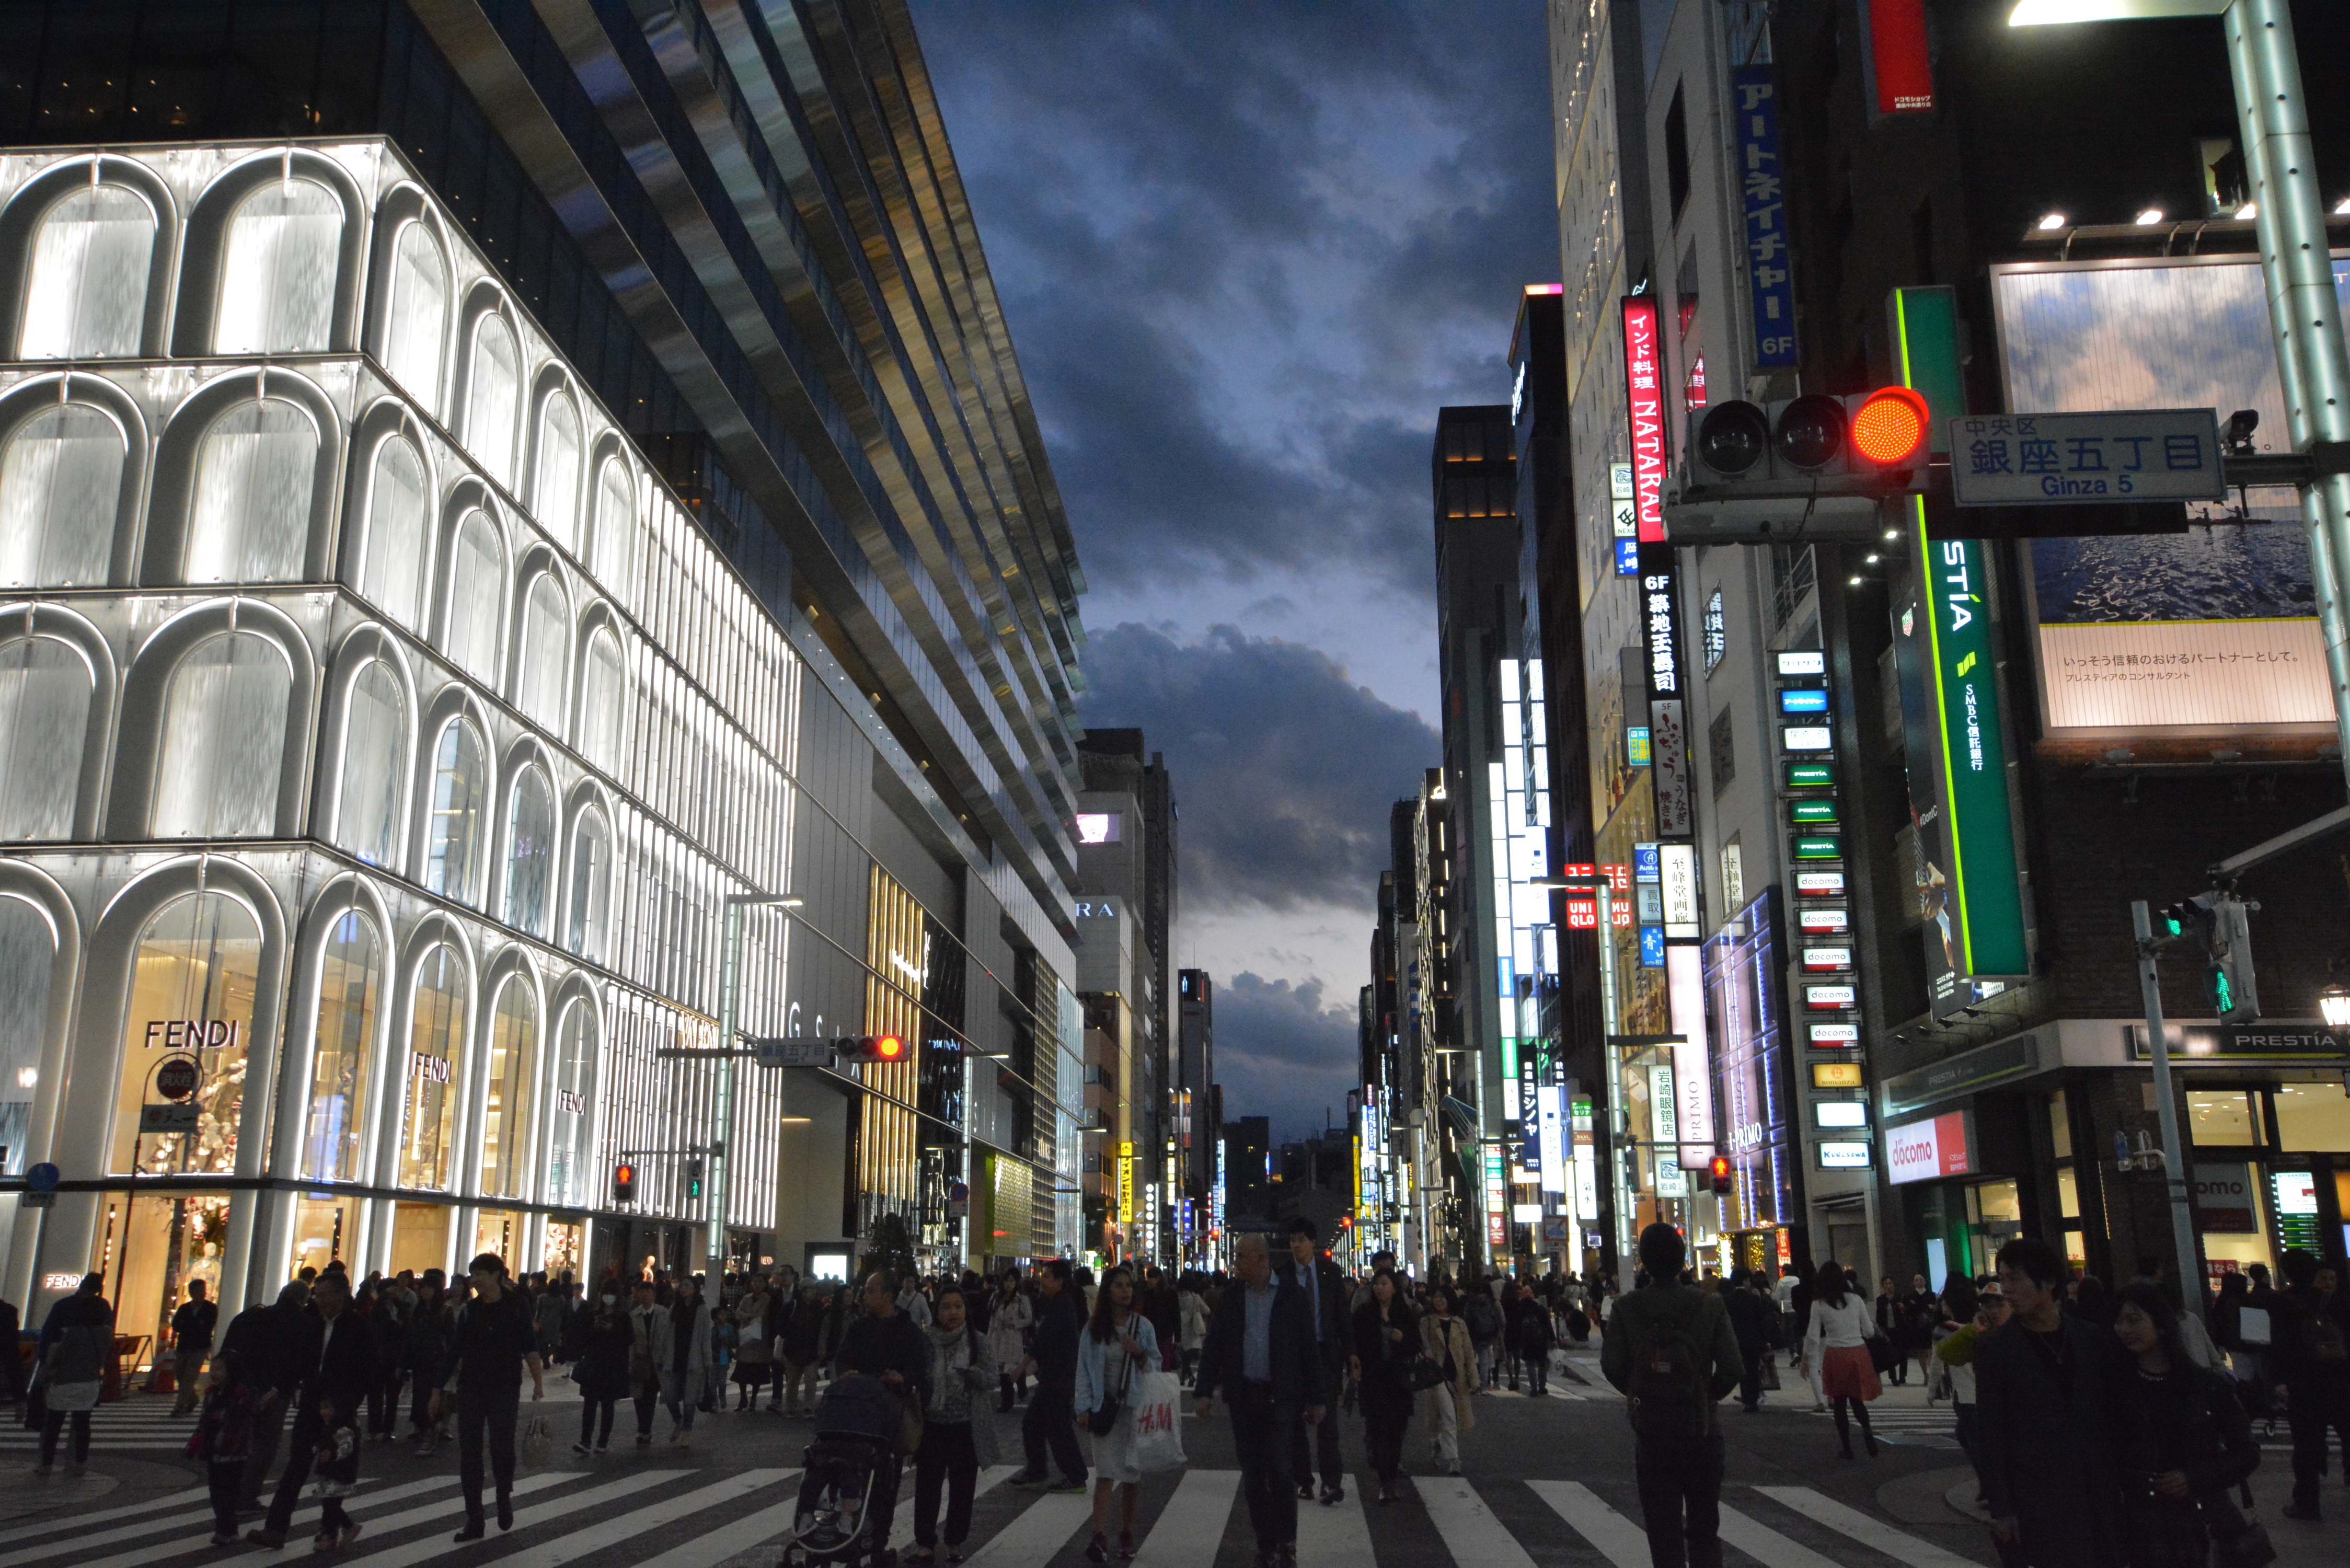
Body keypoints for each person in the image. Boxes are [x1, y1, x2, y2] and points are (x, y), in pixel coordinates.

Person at [1974, 1237, 2125, 1568]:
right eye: (2002, 1279)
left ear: (2048, 1284)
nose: (2006, 1289)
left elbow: (2113, 1416)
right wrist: (2002, 1508)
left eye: (2015, 1278)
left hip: (2098, 1491)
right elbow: (1991, 1431)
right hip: (2037, 1496)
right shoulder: (1995, 1349)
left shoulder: (2092, 1340)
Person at [1602, 1224, 1742, 1568]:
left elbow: (1612, 1366)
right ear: (1682, 1260)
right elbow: (1733, 1368)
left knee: (1662, 1531)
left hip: (1652, 1433)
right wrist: (1703, 1395)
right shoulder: (1709, 1306)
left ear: (1644, 1262)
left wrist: (1641, 1391)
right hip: (1701, 1431)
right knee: (1704, 1527)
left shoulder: (1627, 1309)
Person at [2110, 1281, 2263, 1568]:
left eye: (2134, 1320)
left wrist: (2195, 1477)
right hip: (2140, 1523)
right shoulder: (2115, 1389)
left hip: (2202, 1518)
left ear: (2161, 1324)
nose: (2124, 1330)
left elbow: (2247, 1452)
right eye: (2118, 1322)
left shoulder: (2206, 1386)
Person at [1196, 1231, 1326, 1568]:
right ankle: (1265, 1543)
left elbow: (1308, 1351)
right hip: (1244, 1396)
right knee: (1253, 1475)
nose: (1236, 1262)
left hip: (1281, 1396)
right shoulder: (1231, 1298)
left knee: (1281, 1471)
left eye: (1241, 1256)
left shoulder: (1291, 1296)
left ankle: (1288, 1541)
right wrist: (1203, 1390)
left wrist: (1316, 1398)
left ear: (1260, 1259)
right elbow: (1215, 1345)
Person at [244, 1271, 374, 1549]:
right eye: (318, 1295)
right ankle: (276, 1529)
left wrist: (342, 1405)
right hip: (311, 1406)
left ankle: (329, 1531)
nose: (321, 1301)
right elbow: (298, 1363)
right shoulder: (311, 1325)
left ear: (343, 1295)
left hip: (340, 1411)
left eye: (326, 1295)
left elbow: (366, 1374)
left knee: (332, 1471)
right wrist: (278, 1390)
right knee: (296, 1467)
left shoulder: (359, 1328)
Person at [433, 1253, 545, 1542]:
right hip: (471, 1386)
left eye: (480, 1273)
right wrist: (437, 1389)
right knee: (469, 1452)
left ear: (497, 1275)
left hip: (505, 1386)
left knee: (501, 1447)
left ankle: (503, 1494)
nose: (475, 1280)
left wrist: (538, 1382)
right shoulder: (471, 1310)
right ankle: (475, 1518)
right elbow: (455, 1350)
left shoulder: (516, 1305)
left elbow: (529, 1344)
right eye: (473, 1275)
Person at [833, 1269, 934, 1553]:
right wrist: (846, 1373)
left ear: (887, 1296)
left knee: (885, 1478)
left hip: (890, 1415)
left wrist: (903, 1379)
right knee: (851, 1468)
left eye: (870, 1290)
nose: (864, 1295)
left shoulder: (907, 1330)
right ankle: (851, 1526)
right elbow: (842, 1359)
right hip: (857, 1412)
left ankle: (879, 1538)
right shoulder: (859, 1328)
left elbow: (918, 1369)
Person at [1076, 1265, 1159, 1563]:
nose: (1126, 1291)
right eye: (1119, 1286)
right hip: (1104, 1408)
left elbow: (1156, 1370)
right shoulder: (1094, 1328)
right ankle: (1099, 1537)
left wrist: (1140, 1354)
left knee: (1132, 1475)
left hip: (1135, 1410)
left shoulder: (1144, 1327)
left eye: (1129, 1286)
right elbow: (1083, 1371)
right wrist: (1083, 1407)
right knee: (1106, 1474)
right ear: (1107, 1292)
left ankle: (1127, 1533)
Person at [912, 1285, 995, 1564]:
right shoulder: (926, 1342)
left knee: (963, 1488)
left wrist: (972, 1374)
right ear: (937, 1311)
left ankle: (954, 1541)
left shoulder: (978, 1341)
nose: (953, 1313)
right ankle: (925, 1544)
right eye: (947, 1307)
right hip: (933, 1425)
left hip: (966, 1425)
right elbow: (917, 1377)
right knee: (927, 1486)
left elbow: (993, 1379)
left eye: (958, 1307)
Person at [2270, 1247, 2348, 1521]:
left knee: (2306, 1447)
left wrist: (2279, 1381)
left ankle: (2307, 1503)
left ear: (2286, 1272)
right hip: (2338, 1379)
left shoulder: (2280, 1303)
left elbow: (2275, 1347)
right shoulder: (2332, 1301)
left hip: (2303, 1385)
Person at [1283, 1217, 1350, 1504]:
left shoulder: (1330, 1273)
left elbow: (1341, 1317)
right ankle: (1303, 1480)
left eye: (1301, 1240)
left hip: (1324, 1354)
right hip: (1294, 1357)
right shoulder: (1283, 1274)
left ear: (1313, 1243)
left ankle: (1331, 1483)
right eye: (1293, 1240)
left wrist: (1351, 1354)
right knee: (1297, 1423)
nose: (1297, 1245)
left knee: (1328, 1422)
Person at [1009, 1259, 1089, 1492]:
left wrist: (1022, 1366)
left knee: (1057, 1427)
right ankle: (1039, 1471)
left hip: (1059, 1377)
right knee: (1036, 1424)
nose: (1042, 1280)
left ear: (1059, 1282)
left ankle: (1075, 1476)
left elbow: (1042, 1341)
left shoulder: (1061, 1306)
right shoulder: (1056, 1303)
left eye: (1047, 1276)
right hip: (1055, 1376)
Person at [31, 1273, 113, 1477]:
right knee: (82, 1423)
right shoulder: (104, 1330)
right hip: (90, 1380)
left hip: (64, 1378)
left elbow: (50, 1343)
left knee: (54, 1424)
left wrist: (45, 1364)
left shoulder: (66, 1318)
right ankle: (78, 1463)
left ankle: (46, 1464)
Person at [1802, 1259, 1882, 1459]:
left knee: (1839, 1403)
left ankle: (1847, 1448)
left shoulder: (1819, 1304)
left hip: (1836, 1353)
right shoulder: (1856, 1300)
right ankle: (1867, 1430)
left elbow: (1812, 1336)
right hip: (1858, 1351)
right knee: (1857, 1401)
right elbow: (1869, 1331)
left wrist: (1805, 1360)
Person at [1351, 1269, 1418, 1503]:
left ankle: (1391, 1476)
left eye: (1384, 1283)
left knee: (1396, 1432)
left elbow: (1416, 1343)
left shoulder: (1404, 1313)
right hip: (1374, 1380)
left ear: (1394, 1287)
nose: (1379, 1288)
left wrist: (1404, 1339)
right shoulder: (1364, 1314)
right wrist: (1354, 1363)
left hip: (1398, 1381)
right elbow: (1354, 1343)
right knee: (1379, 1430)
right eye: (1376, 1284)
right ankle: (1385, 1483)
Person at [192, 1345, 263, 1546]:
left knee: (228, 1490)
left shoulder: (244, 1395)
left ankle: (227, 1529)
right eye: (213, 1369)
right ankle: (225, 1528)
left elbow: (248, 1419)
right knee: (217, 1490)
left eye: (219, 1369)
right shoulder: (212, 1394)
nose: (214, 1374)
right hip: (215, 1448)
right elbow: (205, 1419)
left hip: (234, 1450)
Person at [1419, 1284, 1477, 1477]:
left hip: (1457, 1377)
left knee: (1447, 1417)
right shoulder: (1427, 1323)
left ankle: (1437, 1443)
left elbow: (1468, 1353)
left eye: (1443, 1297)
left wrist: (1474, 1379)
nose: (1438, 1301)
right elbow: (1420, 1348)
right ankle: (1454, 1460)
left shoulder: (1460, 1324)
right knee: (1450, 1417)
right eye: (1435, 1297)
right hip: (1437, 1377)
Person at [570, 1282, 633, 1455]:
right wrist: (595, 1329)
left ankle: (603, 1441)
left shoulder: (623, 1317)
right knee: (589, 1404)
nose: (608, 1297)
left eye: (611, 1294)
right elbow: (583, 1337)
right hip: (594, 1364)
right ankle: (585, 1440)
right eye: (605, 1294)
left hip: (613, 1366)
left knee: (607, 1404)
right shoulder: (593, 1315)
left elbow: (629, 1339)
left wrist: (613, 1330)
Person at [309, 1401, 362, 1553]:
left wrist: (332, 1455)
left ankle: (338, 1532)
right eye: (322, 1408)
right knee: (329, 1503)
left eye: (328, 1408)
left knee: (330, 1504)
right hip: (329, 1471)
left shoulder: (343, 1427)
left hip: (339, 1472)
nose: (324, 1412)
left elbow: (347, 1447)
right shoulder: (330, 1425)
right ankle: (342, 1529)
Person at [1723, 1271, 1776, 1414]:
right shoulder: (1753, 1299)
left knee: (1741, 1369)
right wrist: (1766, 1341)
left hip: (1735, 1340)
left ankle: (1746, 1398)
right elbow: (1761, 1321)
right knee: (1753, 1369)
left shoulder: (1728, 1300)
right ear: (1746, 1281)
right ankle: (1752, 1400)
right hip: (1753, 1340)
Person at [169, 1279, 218, 1417]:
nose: (202, 1294)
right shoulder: (184, 1309)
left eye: (203, 1290)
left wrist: (189, 1326)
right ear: (191, 1293)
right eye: (198, 1291)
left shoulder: (210, 1308)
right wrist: (195, 1326)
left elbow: (207, 1326)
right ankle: (193, 1399)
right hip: (184, 1347)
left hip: (200, 1347)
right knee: (179, 1374)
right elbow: (177, 1325)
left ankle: (180, 1406)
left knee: (189, 1377)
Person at [987, 1274, 1033, 1411]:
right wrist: (988, 1339)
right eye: (1006, 1280)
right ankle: (1007, 1400)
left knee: (1011, 1369)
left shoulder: (1021, 1300)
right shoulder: (996, 1297)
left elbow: (1029, 1319)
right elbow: (992, 1320)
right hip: (998, 1338)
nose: (1009, 1284)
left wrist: (1013, 1323)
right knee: (1002, 1372)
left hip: (1013, 1338)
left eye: (1012, 1281)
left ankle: (1016, 1392)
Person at [1511, 1276, 1556, 1397]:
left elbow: (1517, 1327)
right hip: (1541, 1340)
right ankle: (1542, 1387)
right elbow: (1547, 1324)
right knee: (1542, 1364)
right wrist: (1553, 1339)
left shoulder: (1520, 1309)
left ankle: (1534, 1388)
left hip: (1526, 1341)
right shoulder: (1539, 1308)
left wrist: (1516, 1341)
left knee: (1530, 1364)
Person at [733, 1276, 772, 1411]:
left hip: (760, 1337)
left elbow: (763, 1315)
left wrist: (748, 1315)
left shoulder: (768, 1299)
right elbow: (738, 1313)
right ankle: (743, 1397)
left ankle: (754, 1398)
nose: (757, 1285)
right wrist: (749, 1316)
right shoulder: (746, 1298)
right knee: (742, 1369)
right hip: (746, 1336)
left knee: (757, 1370)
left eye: (760, 1282)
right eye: (755, 1282)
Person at [1462, 1276, 1502, 1392]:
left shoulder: (1471, 1302)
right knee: (1485, 1362)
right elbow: (1496, 1318)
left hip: (1473, 1334)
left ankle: (1473, 1384)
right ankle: (1484, 1386)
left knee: (1470, 1360)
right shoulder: (1490, 1302)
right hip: (1487, 1335)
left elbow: (1467, 1319)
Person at [1178, 1276, 1209, 1387]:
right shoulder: (1195, 1298)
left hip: (1180, 1327)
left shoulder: (1176, 1297)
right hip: (1193, 1328)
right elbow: (1207, 1310)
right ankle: (1190, 1376)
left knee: (1184, 1354)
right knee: (1189, 1354)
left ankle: (1184, 1378)